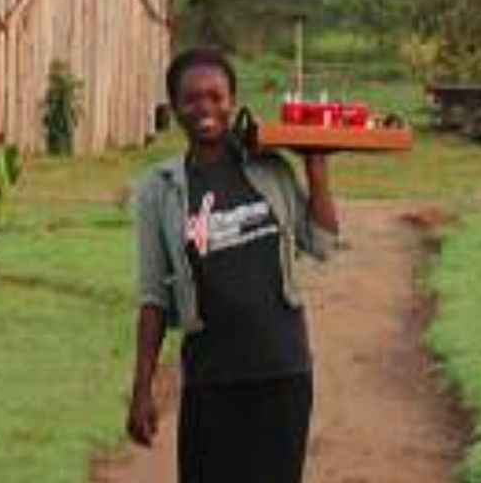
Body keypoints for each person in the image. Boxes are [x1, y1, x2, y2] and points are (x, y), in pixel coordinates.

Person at [126, 46, 340, 482]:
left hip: (282, 370)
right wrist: (141, 390)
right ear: (175, 108)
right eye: (192, 98)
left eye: (216, 96)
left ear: (233, 102)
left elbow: (321, 242)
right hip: (211, 375)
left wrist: (316, 164)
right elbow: (153, 297)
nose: (205, 107)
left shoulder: (270, 169)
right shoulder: (160, 189)